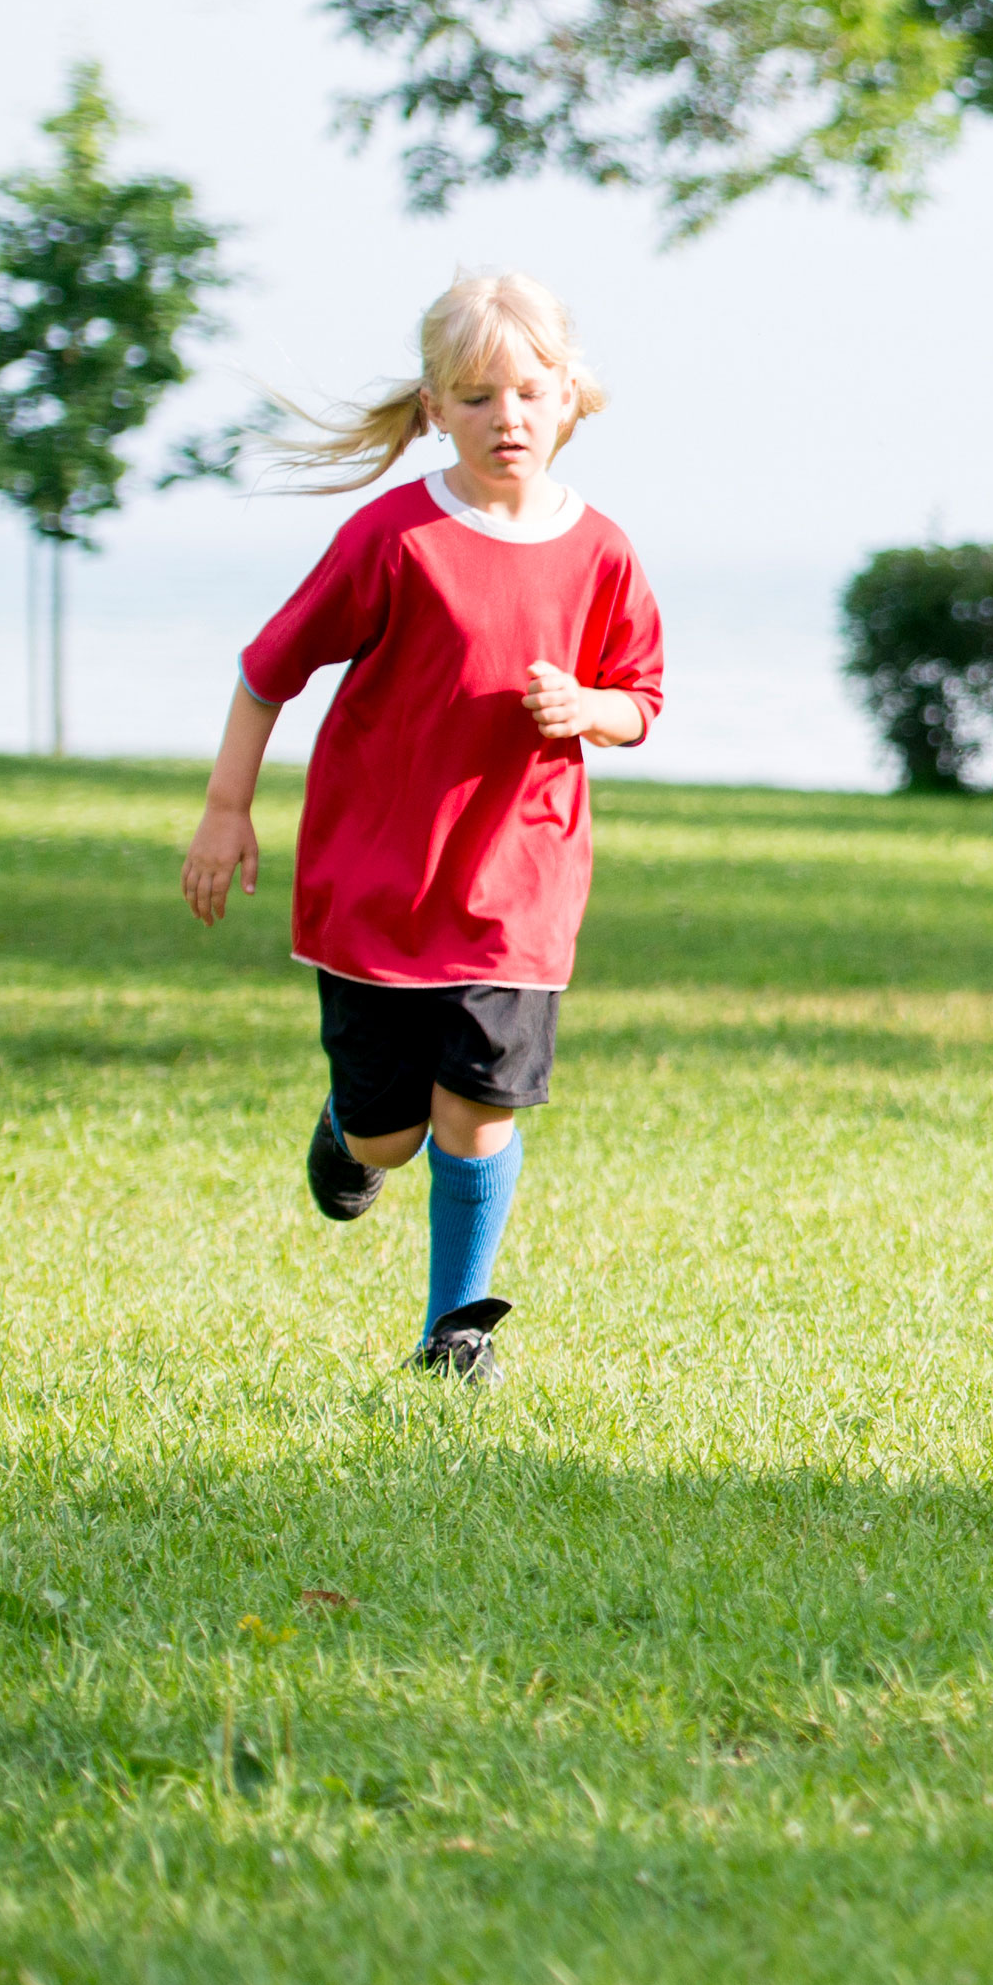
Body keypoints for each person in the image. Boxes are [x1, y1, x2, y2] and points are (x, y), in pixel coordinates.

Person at [180, 271, 666, 1385]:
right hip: (376, 889)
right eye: (479, 396)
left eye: (532, 394)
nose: (510, 419)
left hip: (519, 891)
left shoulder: (604, 549)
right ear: (436, 408)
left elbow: (639, 697)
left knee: (480, 1110)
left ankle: (457, 1331)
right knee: (393, 1134)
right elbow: (269, 671)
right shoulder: (394, 538)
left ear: (570, 398)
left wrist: (590, 709)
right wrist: (224, 809)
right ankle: (350, 1132)